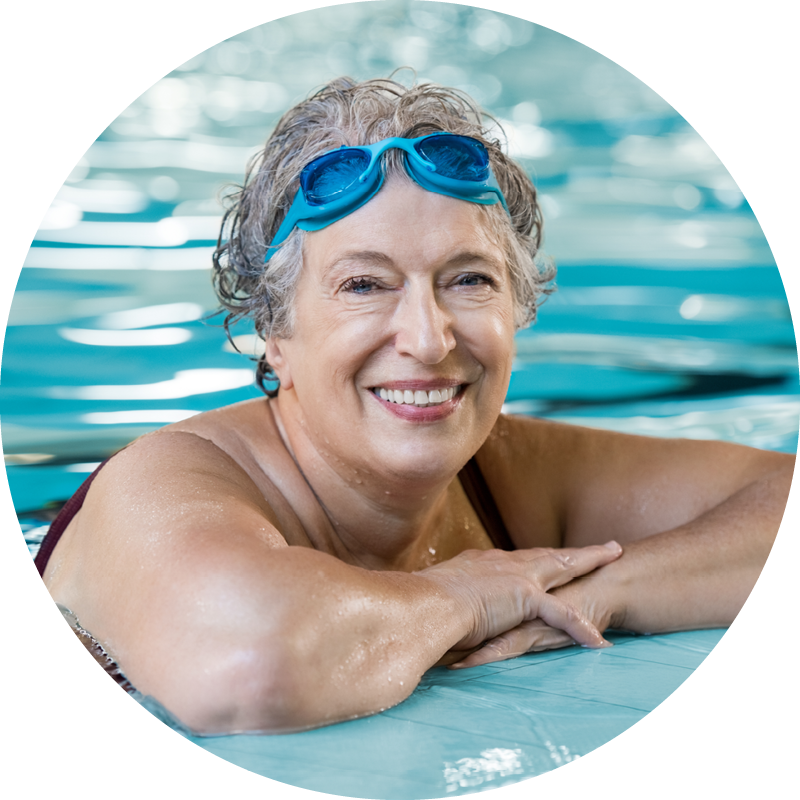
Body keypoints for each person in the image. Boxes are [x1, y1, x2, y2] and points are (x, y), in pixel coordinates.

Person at [35, 77, 794, 735]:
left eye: (469, 280)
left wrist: (605, 591)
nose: (429, 340)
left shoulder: (505, 473)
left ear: (518, 306)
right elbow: (254, 666)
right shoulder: (163, 484)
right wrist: (465, 595)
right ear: (274, 332)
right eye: (364, 285)